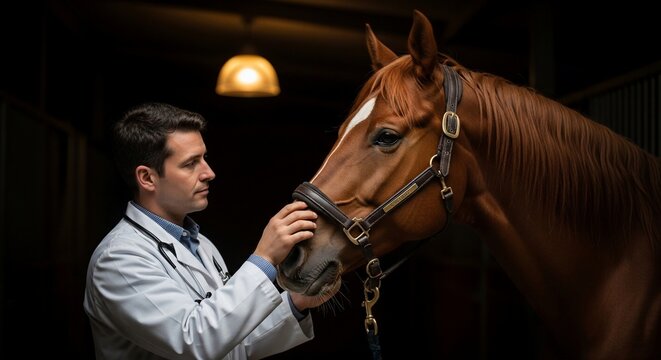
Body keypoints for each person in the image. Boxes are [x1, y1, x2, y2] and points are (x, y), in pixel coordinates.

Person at [83, 102, 337, 359]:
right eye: (190, 163)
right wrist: (265, 259)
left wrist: (296, 303)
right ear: (147, 178)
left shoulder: (201, 245)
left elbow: (231, 346)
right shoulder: (118, 259)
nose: (209, 173)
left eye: (204, 158)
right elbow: (193, 342)